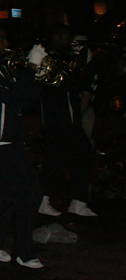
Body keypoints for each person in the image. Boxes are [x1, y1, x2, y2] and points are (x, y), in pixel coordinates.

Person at [0, 25, 45, 269]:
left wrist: (33, 73)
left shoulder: (2, 65)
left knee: (6, 196)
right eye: (1, 37)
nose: (6, 42)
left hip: (12, 137)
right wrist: (31, 67)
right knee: (30, 191)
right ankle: (24, 252)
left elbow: (25, 101)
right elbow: (11, 96)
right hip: (0, 137)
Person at [37, 25, 98, 217]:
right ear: (55, 37)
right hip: (56, 118)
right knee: (56, 160)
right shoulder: (45, 57)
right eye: (64, 36)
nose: (68, 40)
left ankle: (77, 202)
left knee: (84, 157)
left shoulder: (68, 58)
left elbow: (81, 82)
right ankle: (43, 199)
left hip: (70, 118)